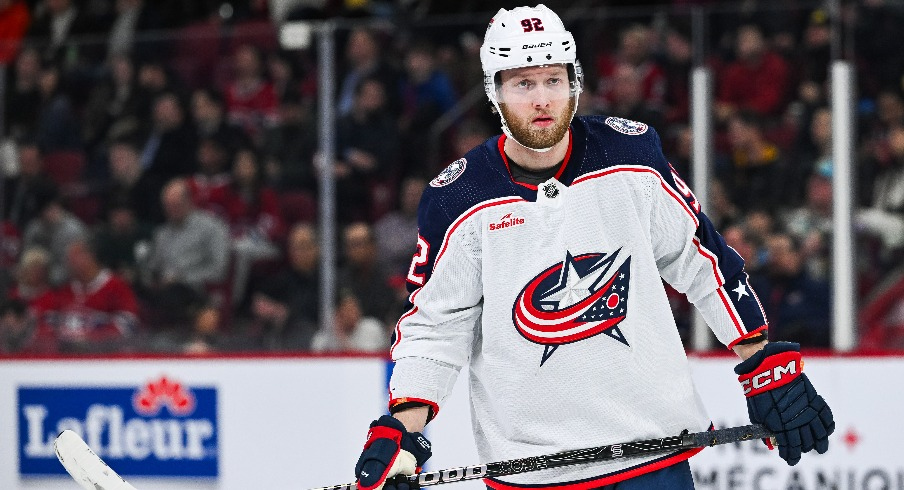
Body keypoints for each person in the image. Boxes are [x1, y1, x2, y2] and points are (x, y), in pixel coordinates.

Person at [353, 6, 835, 490]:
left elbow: (701, 259)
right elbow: (437, 327)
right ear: (494, 93)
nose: (542, 98)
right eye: (523, 84)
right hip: (533, 468)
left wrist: (761, 361)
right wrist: (404, 428)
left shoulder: (631, 155)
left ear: (575, 82)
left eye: (553, 80)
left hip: (654, 453)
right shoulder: (457, 197)